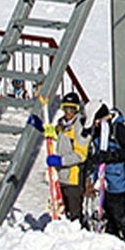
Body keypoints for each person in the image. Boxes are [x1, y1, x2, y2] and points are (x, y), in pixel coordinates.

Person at [88, 104, 125, 241]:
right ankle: (112, 240)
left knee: (120, 212)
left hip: (116, 179)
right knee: (107, 214)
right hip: (101, 179)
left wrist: (114, 156)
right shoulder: (97, 131)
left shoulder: (117, 129)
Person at [47, 92, 88, 223]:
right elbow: (56, 134)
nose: (68, 112)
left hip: (73, 179)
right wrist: (43, 128)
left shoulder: (79, 126)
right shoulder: (63, 124)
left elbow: (81, 155)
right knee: (63, 214)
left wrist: (61, 161)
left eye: (72, 109)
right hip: (61, 176)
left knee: (74, 217)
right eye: (66, 108)